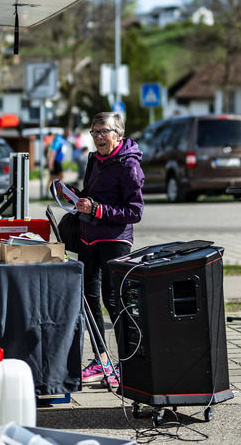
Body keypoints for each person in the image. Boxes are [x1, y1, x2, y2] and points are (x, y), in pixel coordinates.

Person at [60, 112, 143, 390]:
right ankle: (102, 361)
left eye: (103, 132)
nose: (97, 138)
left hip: (114, 239)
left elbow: (135, 211)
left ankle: (128, 363)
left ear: (118, 134)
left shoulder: (129, 165)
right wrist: (74, 196)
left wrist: (99, 209)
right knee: (88, 301)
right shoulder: (94, 159)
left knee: (114, 301)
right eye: (93, 132)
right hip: (88, 237)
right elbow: (92, 191)